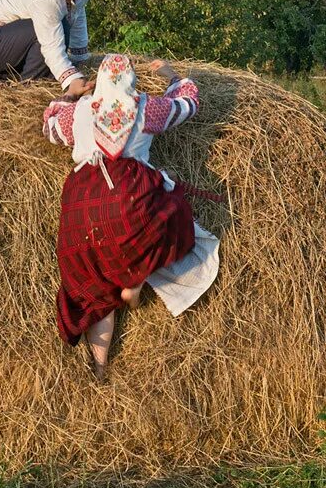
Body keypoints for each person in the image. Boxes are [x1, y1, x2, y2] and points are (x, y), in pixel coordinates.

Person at [42, 54, 220, 382]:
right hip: (130, 197)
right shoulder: (146, 108)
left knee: (97, 288)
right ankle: (134, 281)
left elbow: (49, 126)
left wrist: (70, 96)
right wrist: (170, 73)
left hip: (84, 205)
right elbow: (188, 102)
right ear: (131, 81)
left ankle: (99, 366)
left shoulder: (79, 112)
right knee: (171, 216)